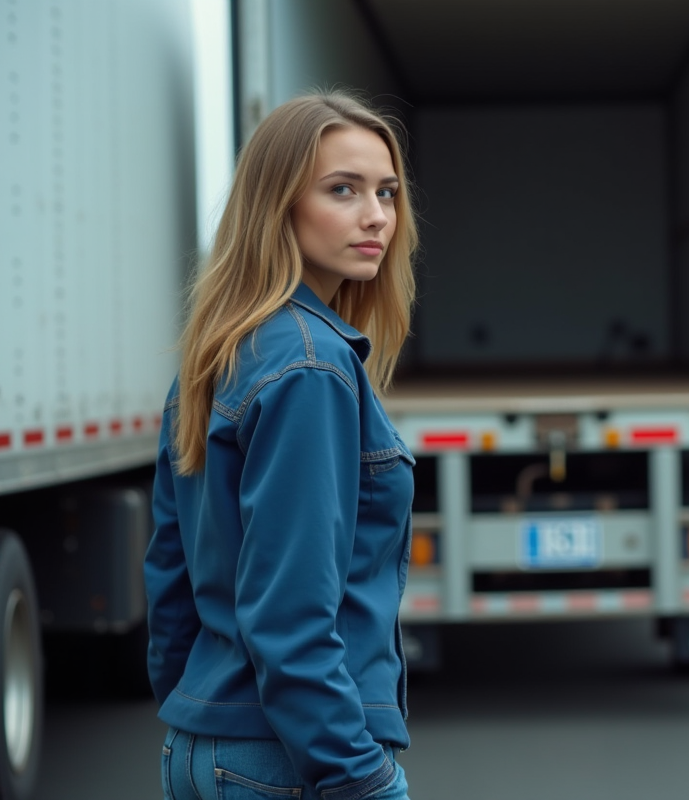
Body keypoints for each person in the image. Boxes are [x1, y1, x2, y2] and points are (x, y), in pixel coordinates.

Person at [145, 91, 418, 800]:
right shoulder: (311, 366)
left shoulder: (218, 351)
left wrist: (202, 711)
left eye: (386, 192)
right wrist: (358, 777)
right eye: (342, 190)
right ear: (278, 205)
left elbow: (170, 572)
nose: (376, 216)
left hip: (204, 751)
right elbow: (293, 611)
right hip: (290, 763)